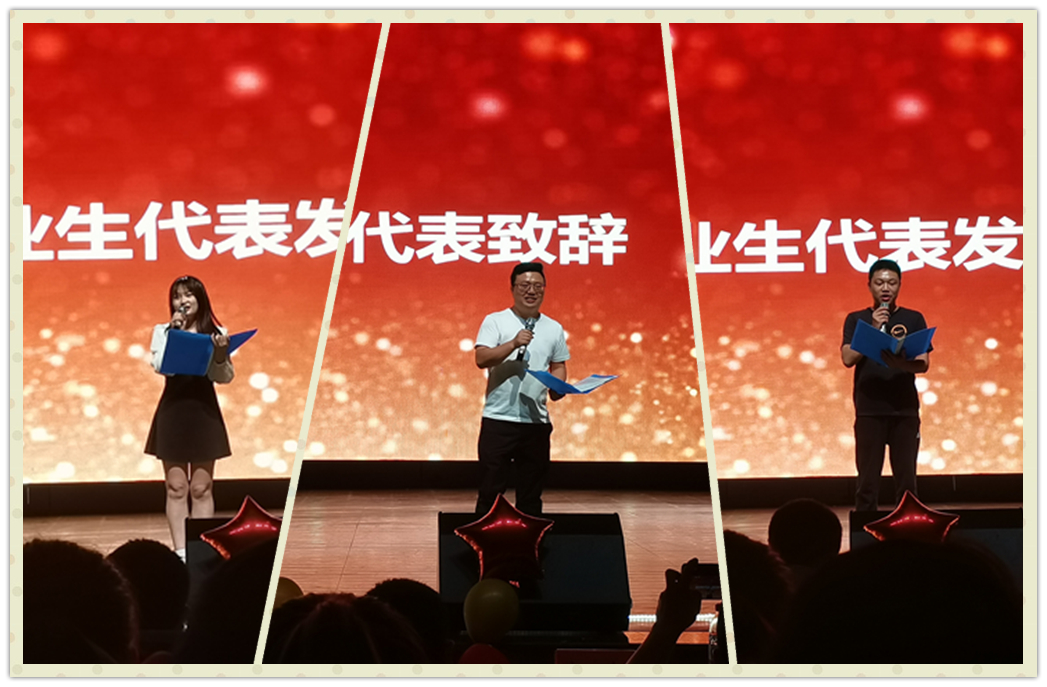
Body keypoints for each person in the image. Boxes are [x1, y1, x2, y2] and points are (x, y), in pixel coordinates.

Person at [145, 276, 234, 558]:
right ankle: (182, 552)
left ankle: (201, 552)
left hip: (203, 411)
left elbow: (223, 377)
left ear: (200, 299)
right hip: (174, 410)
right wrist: (175, 335)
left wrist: (220, 354)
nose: (182, 301)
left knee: (201, 487)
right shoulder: (163, 331)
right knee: (176, 487)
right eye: (177, 296)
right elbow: (162, 368)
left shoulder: (216, 333)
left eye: (188, 295)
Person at [473, 262, 569, 516]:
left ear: (544, 289)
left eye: (537, 286)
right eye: (524, 285)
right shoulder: (495, 321)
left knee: (531, 494)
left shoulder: (553, 327)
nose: (531, 291)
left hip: (536, 422)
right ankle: (483, 539)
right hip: (499, 420)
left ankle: (530, 540)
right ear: (513, 288)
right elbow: (482, 358)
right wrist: (513, 343)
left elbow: (558, 364)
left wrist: (558, 386)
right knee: (491, 490)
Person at [840, 259, 931, 511]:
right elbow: (848, 358)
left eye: (892, 282)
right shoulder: (857, 319)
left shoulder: (913, 318)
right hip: (869, 410)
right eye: (879, 282)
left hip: (904, 410)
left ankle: (908, 530)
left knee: (907, 482)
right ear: (869, 285)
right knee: (867, 482)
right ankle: (865, 530)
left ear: (900, 285)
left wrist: (901, 363)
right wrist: (872, 329)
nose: (886, 288)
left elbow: (923, 363)